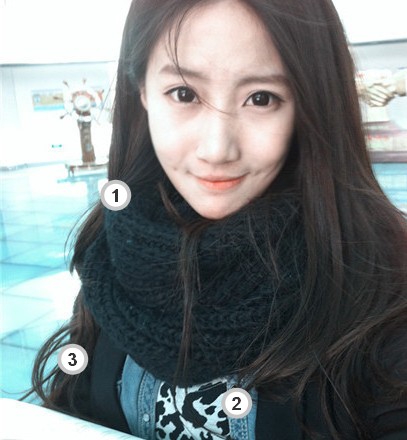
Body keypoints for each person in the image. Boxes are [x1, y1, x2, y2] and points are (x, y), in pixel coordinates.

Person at [26, 0, 407, 439]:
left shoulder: (382, 287)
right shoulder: (114, 252)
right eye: (184, 94)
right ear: (142, 91)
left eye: (261, 98)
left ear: (309, 103)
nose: (217, 149)